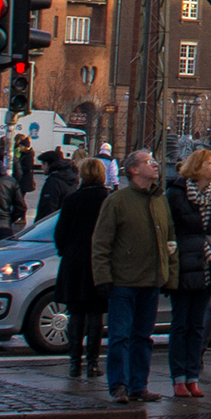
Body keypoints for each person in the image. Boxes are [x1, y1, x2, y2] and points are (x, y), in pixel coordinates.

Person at [93, 150, 174, 403]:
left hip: (151, 281)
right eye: (148, 162)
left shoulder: (160, 200)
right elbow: (101, 243)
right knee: (120, 336)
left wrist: (169, 274)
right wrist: (103, 277)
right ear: (133, 170)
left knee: (143, 337)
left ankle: (139, 384)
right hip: (124, 281)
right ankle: (118, 384)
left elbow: (169, 240)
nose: (155, 165)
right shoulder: (118, 201)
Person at [165, 147, 211, 399]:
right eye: (210, 163)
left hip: (207, 264)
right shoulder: (177, 194)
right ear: (197, 167)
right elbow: (169, 227)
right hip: (183, 264)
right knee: (181, 324)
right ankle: (179, 378)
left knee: (198, 325)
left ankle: (192, 376)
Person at [57, 149, 110, 381]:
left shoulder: (71, 200)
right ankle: (92, 362)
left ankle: (73, 363)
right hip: (98, 260)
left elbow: (60, 233)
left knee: (76, 312)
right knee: (96, 313)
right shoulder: (107, 199)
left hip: (74, 260)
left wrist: (66, 251)